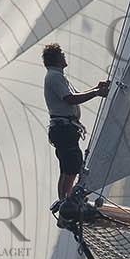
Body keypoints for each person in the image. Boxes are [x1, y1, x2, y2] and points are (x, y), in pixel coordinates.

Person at [44, 43, 110, 202]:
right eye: (62, 54)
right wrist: (96, 93)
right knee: (72, 166)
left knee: (67, 168)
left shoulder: (57, 76)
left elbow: (74, 95)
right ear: (57, 58)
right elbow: (70, 98)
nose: (64, 56)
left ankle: (64, 201)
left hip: (64, 129)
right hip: (64, 129)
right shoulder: (54, 76)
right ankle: (66, 201)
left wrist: (96, 88)